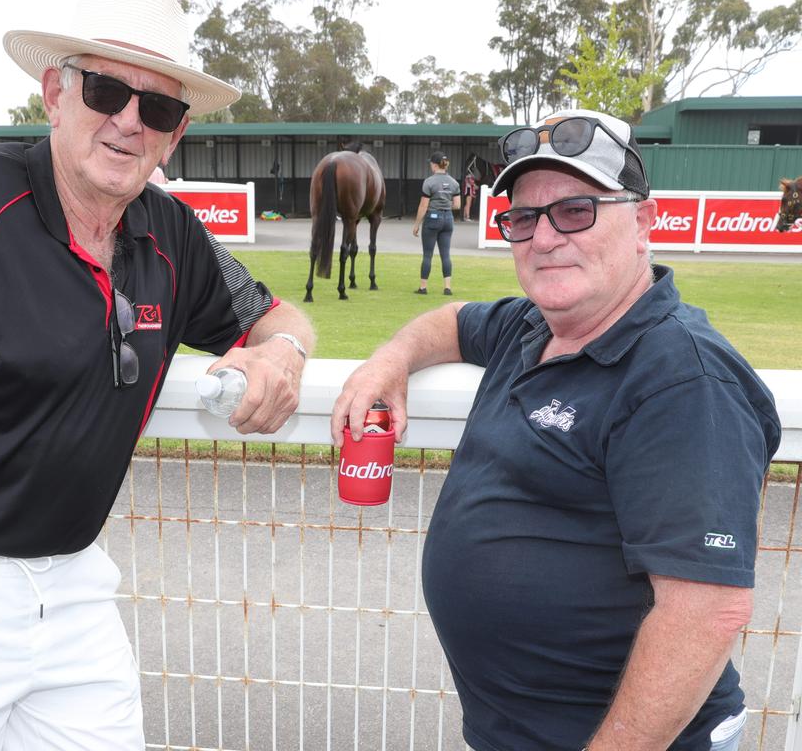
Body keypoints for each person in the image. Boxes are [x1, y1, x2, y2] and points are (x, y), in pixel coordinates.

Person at [0, 0, 314, 748]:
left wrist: (283, 352)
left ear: (173, 137)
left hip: (76, 587)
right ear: (54, 93)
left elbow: (279, 315)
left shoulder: (171, 230)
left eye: (160, 109)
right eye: (107, 90)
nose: (129, 122)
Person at [333, 109, 780, 751]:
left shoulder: (682, 380)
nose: (544, 238)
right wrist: (390, 360)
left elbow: (705, 613)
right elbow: (455, 321)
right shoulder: (534, 325)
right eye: (523, 217)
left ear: (643, 225)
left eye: (576, 210)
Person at [412, 151, 460, 295]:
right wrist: (445, 206)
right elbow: (457, 205)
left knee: (428, 254)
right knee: (446, 254)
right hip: (448, 219)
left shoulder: (429, 182)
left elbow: (423, 206)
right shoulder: (454, 182)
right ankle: (447, 287)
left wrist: (416, 224)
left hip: (432, 218)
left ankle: (423, 287)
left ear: (434, 165)